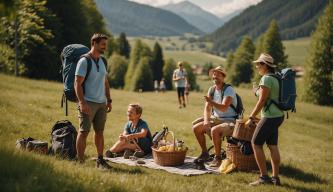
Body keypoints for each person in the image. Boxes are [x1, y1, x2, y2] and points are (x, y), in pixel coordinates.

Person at [75, 33, 112, 169]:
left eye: (105, 44)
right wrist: (82, 103)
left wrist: (109, 100)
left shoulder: (103, 61)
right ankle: (80, 161)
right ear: (94, 44)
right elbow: (77, 84)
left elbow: (106, 82)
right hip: (88, 102)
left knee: (100, 132)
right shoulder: (84, 61)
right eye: (102, 44)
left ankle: (100, 159)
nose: (105, 47)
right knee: (84, 131)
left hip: (102, 103)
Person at [247, 53, 284, 186]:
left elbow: (262, 100)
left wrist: (251, 116)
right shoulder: (275, 78)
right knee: (272, 145)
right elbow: (267, 96)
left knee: (256, 143)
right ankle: (275, 178)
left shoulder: (266, 79)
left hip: (269, 117)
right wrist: (256, 90)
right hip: (278, 116)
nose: (257, 66)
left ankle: (264, 177)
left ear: (265, 65)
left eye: (259, 64)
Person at [192, 66, 237, 167]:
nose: (215, 76)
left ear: (223, 77)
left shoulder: (229, 89)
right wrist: (207, 121)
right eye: (214, 74)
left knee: (214, 130)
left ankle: (218, 158)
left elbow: (224, 108)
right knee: (196, 128)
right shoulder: (211, 90)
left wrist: (211, 102)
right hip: (216, 119)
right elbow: (207, 109)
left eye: (218, 74)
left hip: (231, 120)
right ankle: (205, 154)